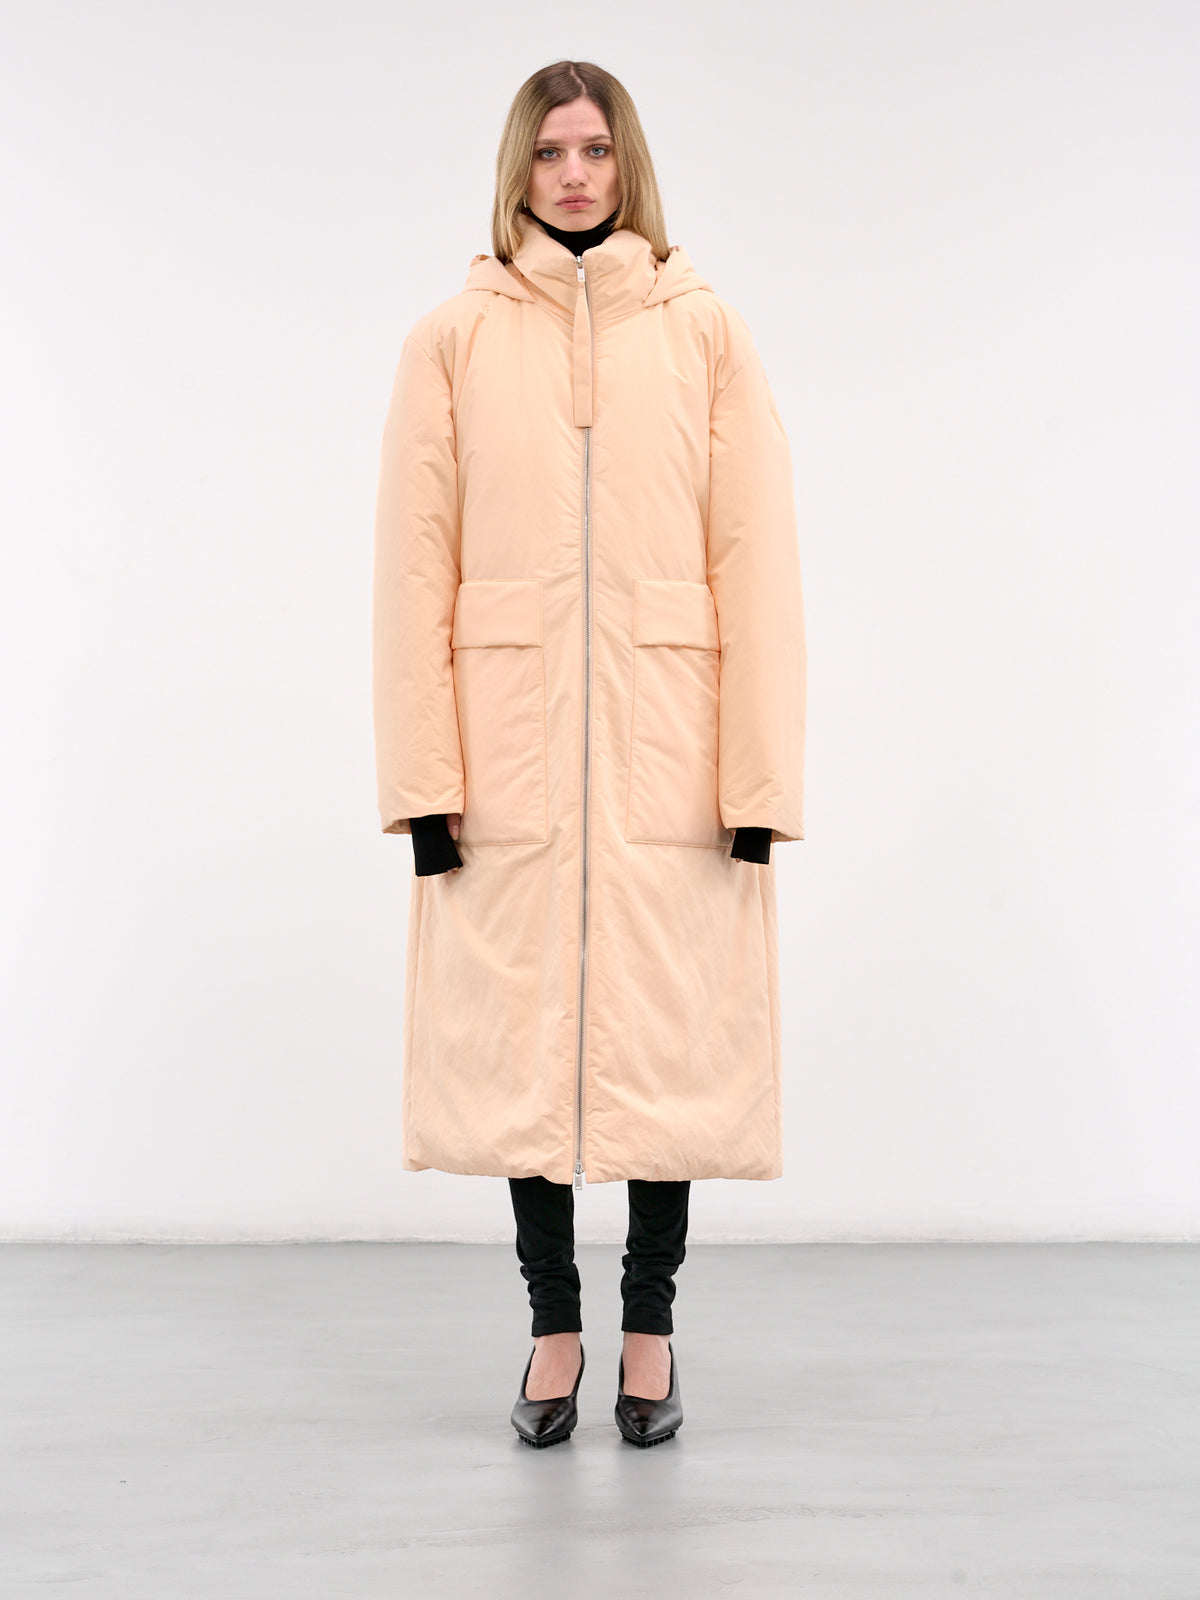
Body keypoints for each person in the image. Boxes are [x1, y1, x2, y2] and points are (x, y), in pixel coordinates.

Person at [371, 60, 806, 1448]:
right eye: (552, 151)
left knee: (666, 1048)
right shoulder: (450, 340)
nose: (573, 176)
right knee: (524, 1054)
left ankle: (652, 1326)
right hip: (504, 760)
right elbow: (412, 575)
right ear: (519, 166)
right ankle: (553, 1326)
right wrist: (423, 785)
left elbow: (758, 564)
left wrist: (759, 783)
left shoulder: (705, 332)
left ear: (630, 167)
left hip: (671, 752)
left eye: (597, 152)